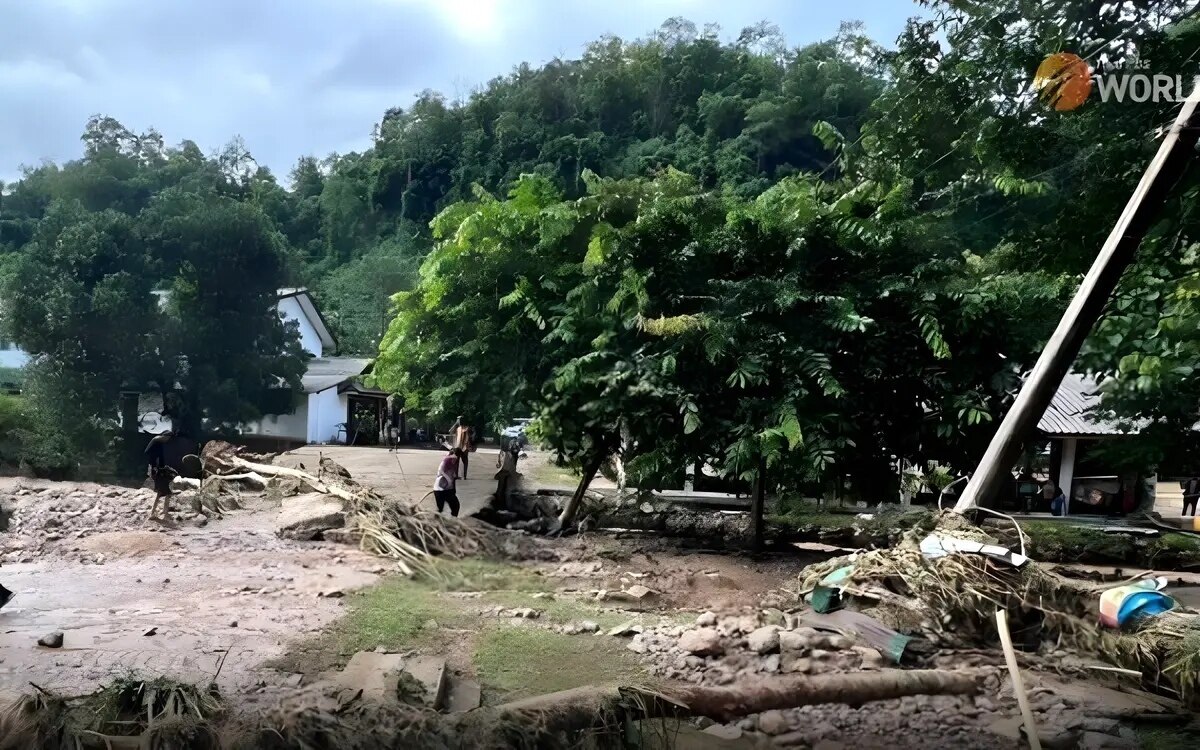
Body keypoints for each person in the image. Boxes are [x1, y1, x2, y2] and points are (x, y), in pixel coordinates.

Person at [145, 430, 178, 521]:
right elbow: (150, 456)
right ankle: (155, 513)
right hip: (156, 471)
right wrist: (156, 468)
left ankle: (163, 512)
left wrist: (163, 468)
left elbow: (161, 459)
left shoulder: (159, 444)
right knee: (162, 492)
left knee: (164, 492)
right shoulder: (156, 442)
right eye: (168, 438)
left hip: (158, 470)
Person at [493, 439, 520, 510]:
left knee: (501, 489)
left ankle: (500, 502)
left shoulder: (503, 453)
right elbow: (503, 465)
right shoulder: (506, 454)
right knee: (502, 489)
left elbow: (499, 464)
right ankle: (501, 503)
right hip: (505, 473)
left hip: (504, 473)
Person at [433, 450, 461, 517]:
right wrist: (448, 479)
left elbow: (453, 477)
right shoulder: (446, 461)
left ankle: (452, 521)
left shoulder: (454, 462)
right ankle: (436, 523)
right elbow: (440, 471)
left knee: (455, 507)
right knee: (440, 509)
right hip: (441, 490)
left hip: (448, 490)